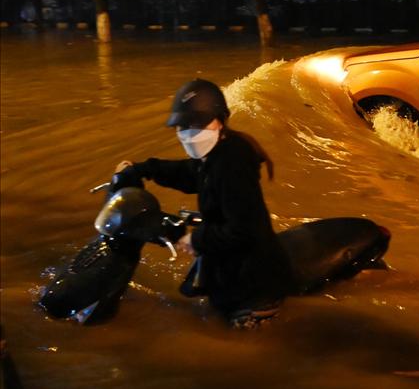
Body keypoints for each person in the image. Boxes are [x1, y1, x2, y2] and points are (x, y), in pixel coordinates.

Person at [114, 79, 291, 328]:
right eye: (182, 126)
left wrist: (196, 240)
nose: (189, 133)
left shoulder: (233, 162)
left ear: (219, 121)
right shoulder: (214, 153)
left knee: (237, 349)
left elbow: (243, 230)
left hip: (254, 286)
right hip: (231, 270)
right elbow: (189, 173)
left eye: (197, 124)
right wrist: (143, 169)